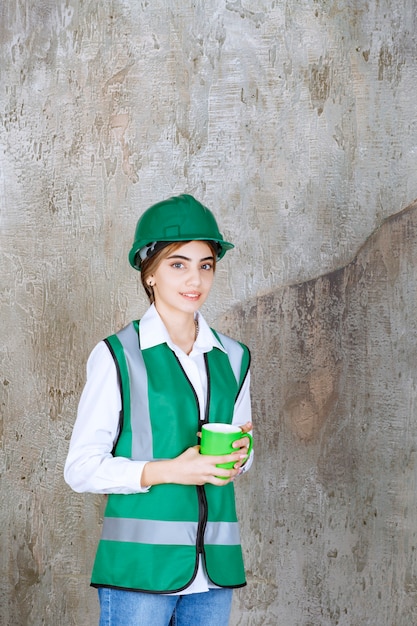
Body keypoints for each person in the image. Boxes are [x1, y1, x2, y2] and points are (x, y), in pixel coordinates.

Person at [64, 194, 253, 626]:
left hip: (214, 576)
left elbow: (241, 454)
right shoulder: (117, 355)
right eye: (178, 264)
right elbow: (80, 468)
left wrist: (242, 453)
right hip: (140, 574)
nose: (195, 279)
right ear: (149, 273)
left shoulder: (234, 357)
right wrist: (169, 470)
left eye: (205, 264)